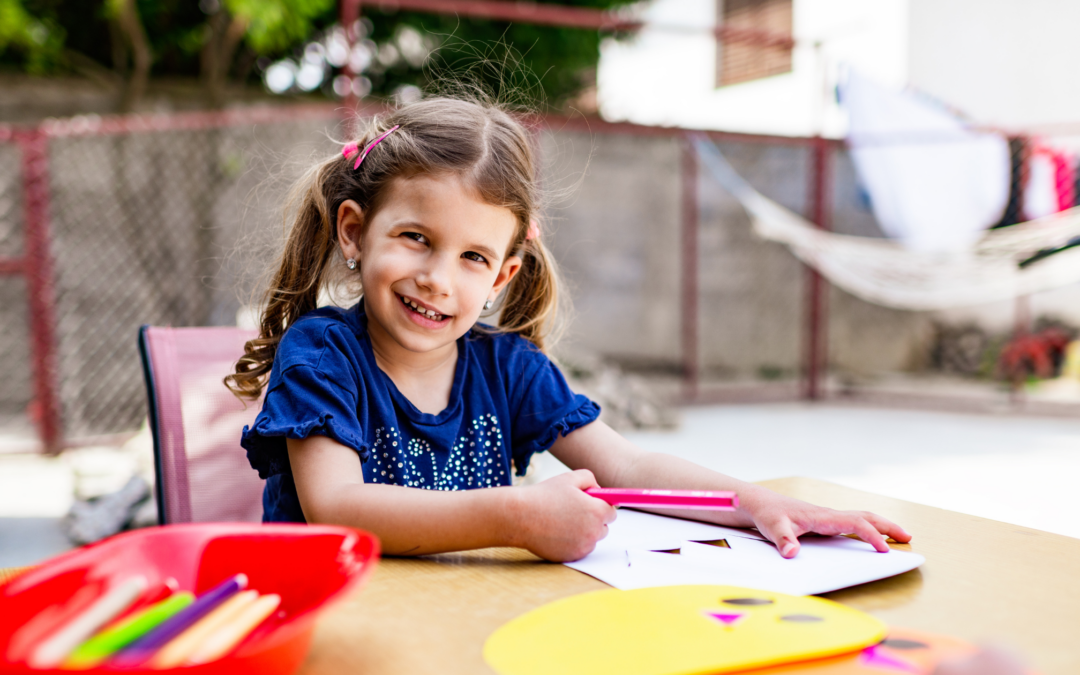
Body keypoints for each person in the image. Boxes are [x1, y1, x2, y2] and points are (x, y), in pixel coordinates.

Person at [227, 96, 911, 562]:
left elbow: (630, 468)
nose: (438, 278)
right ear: (354, 231)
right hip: (333, 628)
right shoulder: (321, 354)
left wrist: (754, 501)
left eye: (473, 257)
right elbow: (340, 508)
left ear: (502, 275)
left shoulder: (508, 368)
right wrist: (517, 515)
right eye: (416, 237)